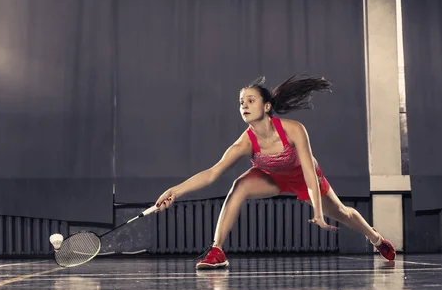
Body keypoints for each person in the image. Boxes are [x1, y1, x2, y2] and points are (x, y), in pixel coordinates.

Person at [155, 74, 396, 269]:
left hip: (304, 176)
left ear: (267, 106)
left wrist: (318, 212)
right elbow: (212, 173)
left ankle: (375, 238)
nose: (244, 106)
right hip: (271, 179)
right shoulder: (244, 143)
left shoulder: (293, 130)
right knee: (238, 186)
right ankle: (217, 250)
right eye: (241, 102)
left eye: (251, 101)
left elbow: (309, 172)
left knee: (342, 213)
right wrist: (174, 191)